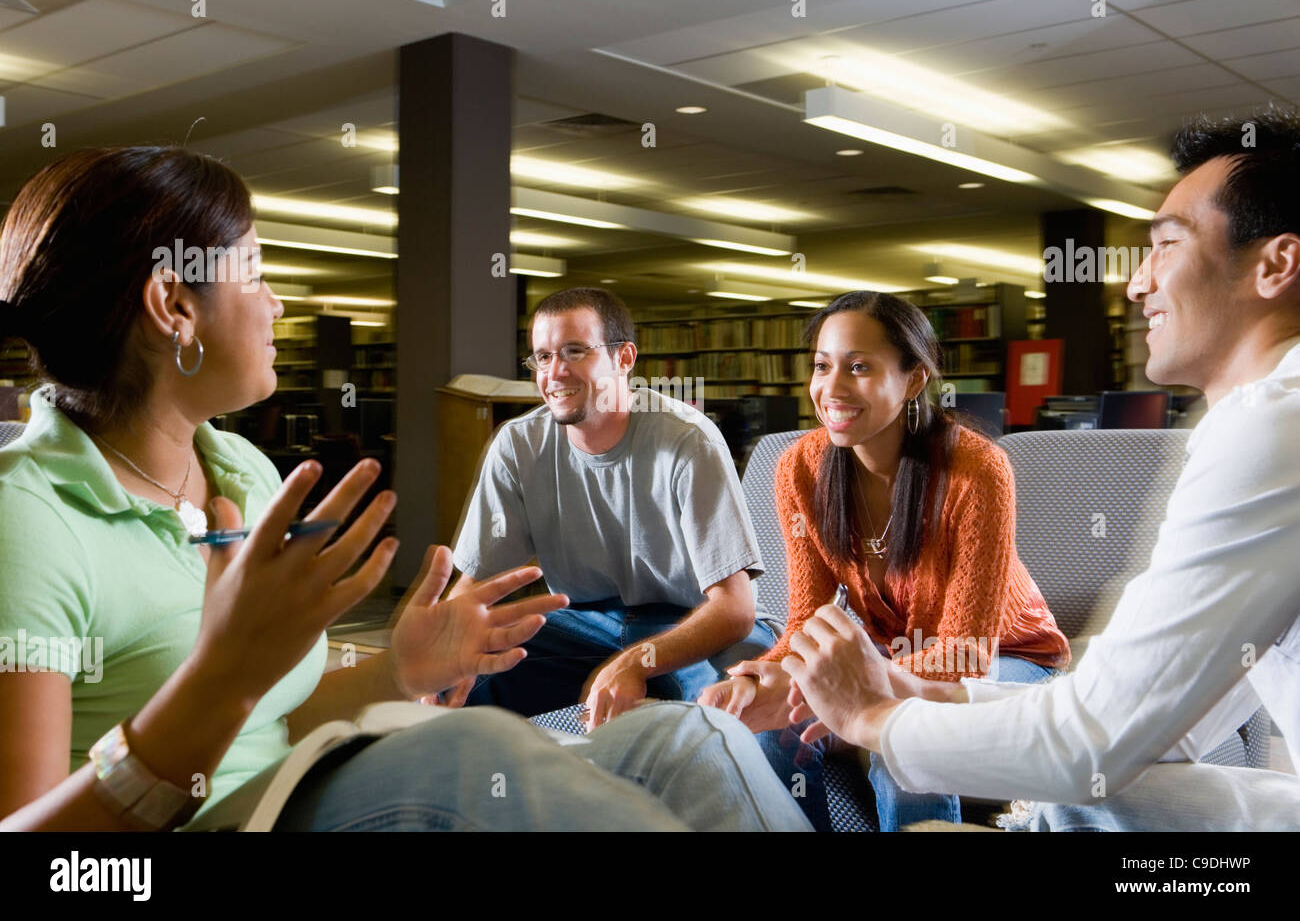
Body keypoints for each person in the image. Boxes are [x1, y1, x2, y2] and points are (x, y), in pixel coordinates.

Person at [0, 146, 811, 832]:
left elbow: (279, 719)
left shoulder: (241, 472)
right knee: (474, 754)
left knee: (686, 743)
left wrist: (399, 668)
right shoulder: (25, 518)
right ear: (174, 304)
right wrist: (221, 678)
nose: (278, 303)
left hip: (298, 780)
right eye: (256, 273)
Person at [778, 109, 1300, 832]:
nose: (1136, 285)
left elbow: (1093, 737)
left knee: (1058, 791)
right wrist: (915, 695)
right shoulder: (1265, 420)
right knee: (1086, 798)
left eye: (1166, 247)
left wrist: (873, 715)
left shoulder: (1274, 424)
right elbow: (1160, 723)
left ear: (1275, 265)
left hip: (1022, 669)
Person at [698, 291, 1070, 831]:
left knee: (905, 741)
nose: (832, 388)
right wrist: (763, 678)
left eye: (860, 367)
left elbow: (964, 654)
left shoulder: (977, 470)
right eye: (823, 366)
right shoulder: (799, 468)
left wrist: (823, 685)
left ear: (914, 379)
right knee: (759, 730)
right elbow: (808, 619)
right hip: (881, 651)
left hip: (1003, 659)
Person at [447, 287, 777, 728]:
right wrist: (442, 654)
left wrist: (635, 663)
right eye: (542, 357)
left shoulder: (686, 440)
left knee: (719, 713)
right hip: (587, 622)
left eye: (574, 351)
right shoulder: (517, 445)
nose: (555, 372)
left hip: (696, 623)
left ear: (624, 358)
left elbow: (735, 610)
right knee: (468, 684)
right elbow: (476, 585)